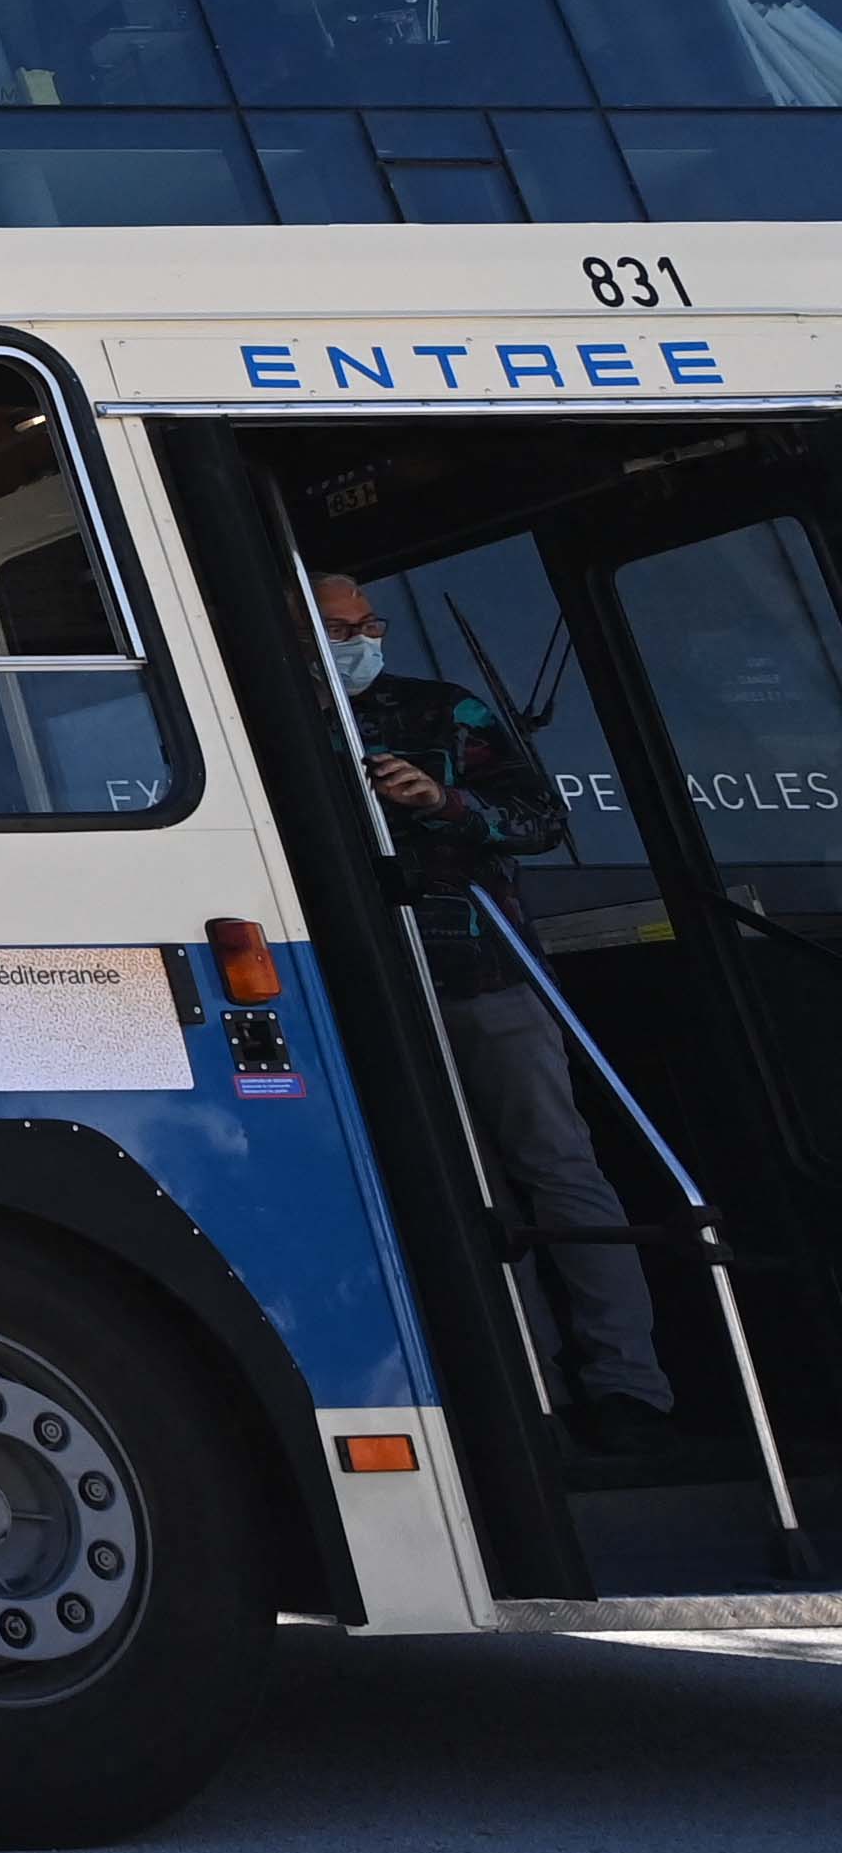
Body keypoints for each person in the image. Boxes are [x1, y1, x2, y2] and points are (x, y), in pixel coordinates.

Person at [314, 571, 678, 1450]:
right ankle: (531, 1394)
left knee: (559, 1169)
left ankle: (630, 1383)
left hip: (486, 967)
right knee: (462, 1191)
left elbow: (543, 816)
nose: (364, 640)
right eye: (339, 629)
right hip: (360, 985)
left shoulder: (446, 710)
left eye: (372, 622)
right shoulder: (263, 721)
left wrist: (443, 801)